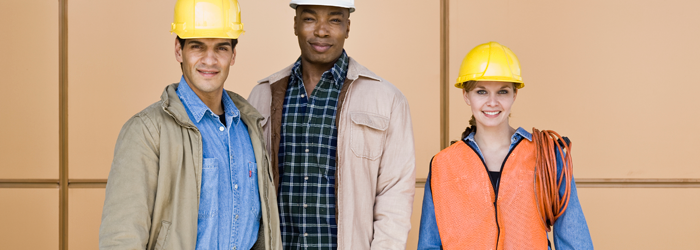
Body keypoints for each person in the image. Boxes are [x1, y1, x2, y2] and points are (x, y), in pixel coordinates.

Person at [98, 0, 281, 249]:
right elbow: (121, 237)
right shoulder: (147, 132)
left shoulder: (248, 127)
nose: (210, 60)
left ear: (233, 54)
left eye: (221, 48)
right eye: (197, 47)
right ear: (178, 49)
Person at [247, 0, 416, 249]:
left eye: (335, 20)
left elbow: (395, 194)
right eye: (310, 19)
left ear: (348, 27)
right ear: (295, 23)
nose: (322, 31)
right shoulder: (262, 96)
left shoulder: (386, 100)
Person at [417, 42, 594, 249]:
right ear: (466, 96)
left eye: (502, 92)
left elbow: (575, 242)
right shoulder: (443, 165)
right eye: (481, 92)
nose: (492, 102)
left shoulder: (548, 158)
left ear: (514, 95)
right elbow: (429, 245)